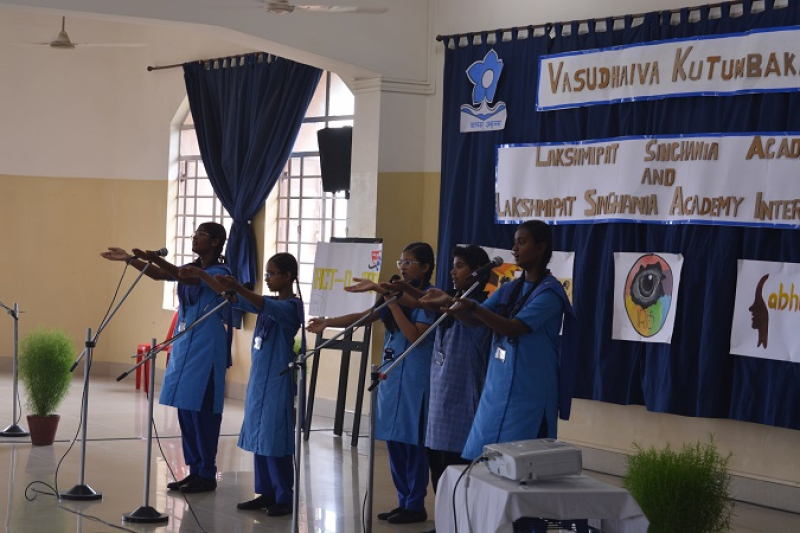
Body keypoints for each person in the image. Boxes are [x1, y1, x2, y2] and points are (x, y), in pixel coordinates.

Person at [421, 220, 576, 461]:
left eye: (522, 242)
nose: (514, 248)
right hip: (498, 389)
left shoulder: (550, 293)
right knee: (484, 460)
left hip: (529, 393)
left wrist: (472, 306)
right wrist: (449, 304)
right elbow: (475, 320)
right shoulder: (510, 289)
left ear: (541, 247)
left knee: (521, 463)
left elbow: (513, 328)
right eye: (514, 242)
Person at [307, 242, 436, 525]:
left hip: (415, 380)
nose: (403, 267)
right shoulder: (395, 295)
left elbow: (414, 335)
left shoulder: (428, 298)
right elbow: (365, 317)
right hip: (391, 376)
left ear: (426, 267)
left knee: (412, 443)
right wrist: (328, 322)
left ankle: (415, 504)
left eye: (410, 262)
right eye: (401, 262)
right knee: (394, 441)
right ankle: (403, 500)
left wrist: (393, 301)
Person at [100, 222, 232, 493]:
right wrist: (130, 259)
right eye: (194, 234)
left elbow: (188, 278)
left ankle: (207, 473)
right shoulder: (191, 267)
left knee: (203, 411)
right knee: (185, 409)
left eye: (201, 235)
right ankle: (194, 470)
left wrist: (155, 258)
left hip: (207, 345)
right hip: (185, 344)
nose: (195, 238)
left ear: (216, 242)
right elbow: (161, 275)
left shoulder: (221, 272)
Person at [183, 252, 304, 517]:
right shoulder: (269, 303)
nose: (268, 278)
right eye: (266, 274)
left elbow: (258, 302)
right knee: (260, 438)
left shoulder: (291, 307)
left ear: (288, 276)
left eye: (272, 274)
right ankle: (266, 492)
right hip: (260, 381)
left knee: (274, 439)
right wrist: (208, 278)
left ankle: (284, 496)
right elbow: (233, 298)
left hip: (278, 381)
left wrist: (237, 286)